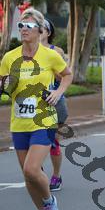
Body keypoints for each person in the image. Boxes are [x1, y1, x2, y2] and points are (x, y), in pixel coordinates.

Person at [0, 8, 73, 210]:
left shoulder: (50, 55)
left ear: (40, 30)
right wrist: (4, 87)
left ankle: (50, 203)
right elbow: (4, 87)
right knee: (28, 176)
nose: (24, 29)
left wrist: (58, 92)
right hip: (19, 122)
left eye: (29, 26)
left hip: (44, 120)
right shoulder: (9, 57)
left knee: (32, 169)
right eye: (21, 26)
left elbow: (67, 74)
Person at [38, 18, 69, 191]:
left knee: (53, 141)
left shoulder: (56, 51)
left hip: (55, 101)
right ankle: (37, 172)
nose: (38, 30)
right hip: (33, 103)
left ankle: (56, 176)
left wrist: (49, 65)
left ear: (48, 32)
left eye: (42, 27)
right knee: (34, 141)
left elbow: (64, 75)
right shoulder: (26, 51)